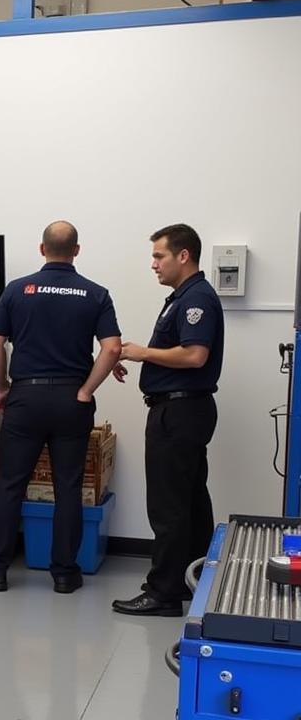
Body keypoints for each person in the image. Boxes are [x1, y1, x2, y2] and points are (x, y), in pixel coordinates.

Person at [0, 221, 122, 594]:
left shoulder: (17, 290)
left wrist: (2, 387)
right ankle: (65, 574)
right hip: (71, 401)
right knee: (69, 486)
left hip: (26, 398)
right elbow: (112, 348)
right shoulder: (96, 293)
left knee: (10, 485)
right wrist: (86, 390)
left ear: (41, 248)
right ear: (77, 251)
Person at [112, 223, 224, 617]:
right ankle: (192, 580)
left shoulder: (197, 299)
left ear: (183, 256)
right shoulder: (182, 297)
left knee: (169, 504)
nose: (153, 264)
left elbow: (195, 356)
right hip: (183, 409)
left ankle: (162, 593)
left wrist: (142, 353)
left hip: (178, 412)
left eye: (159, 256)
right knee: (190, 499)